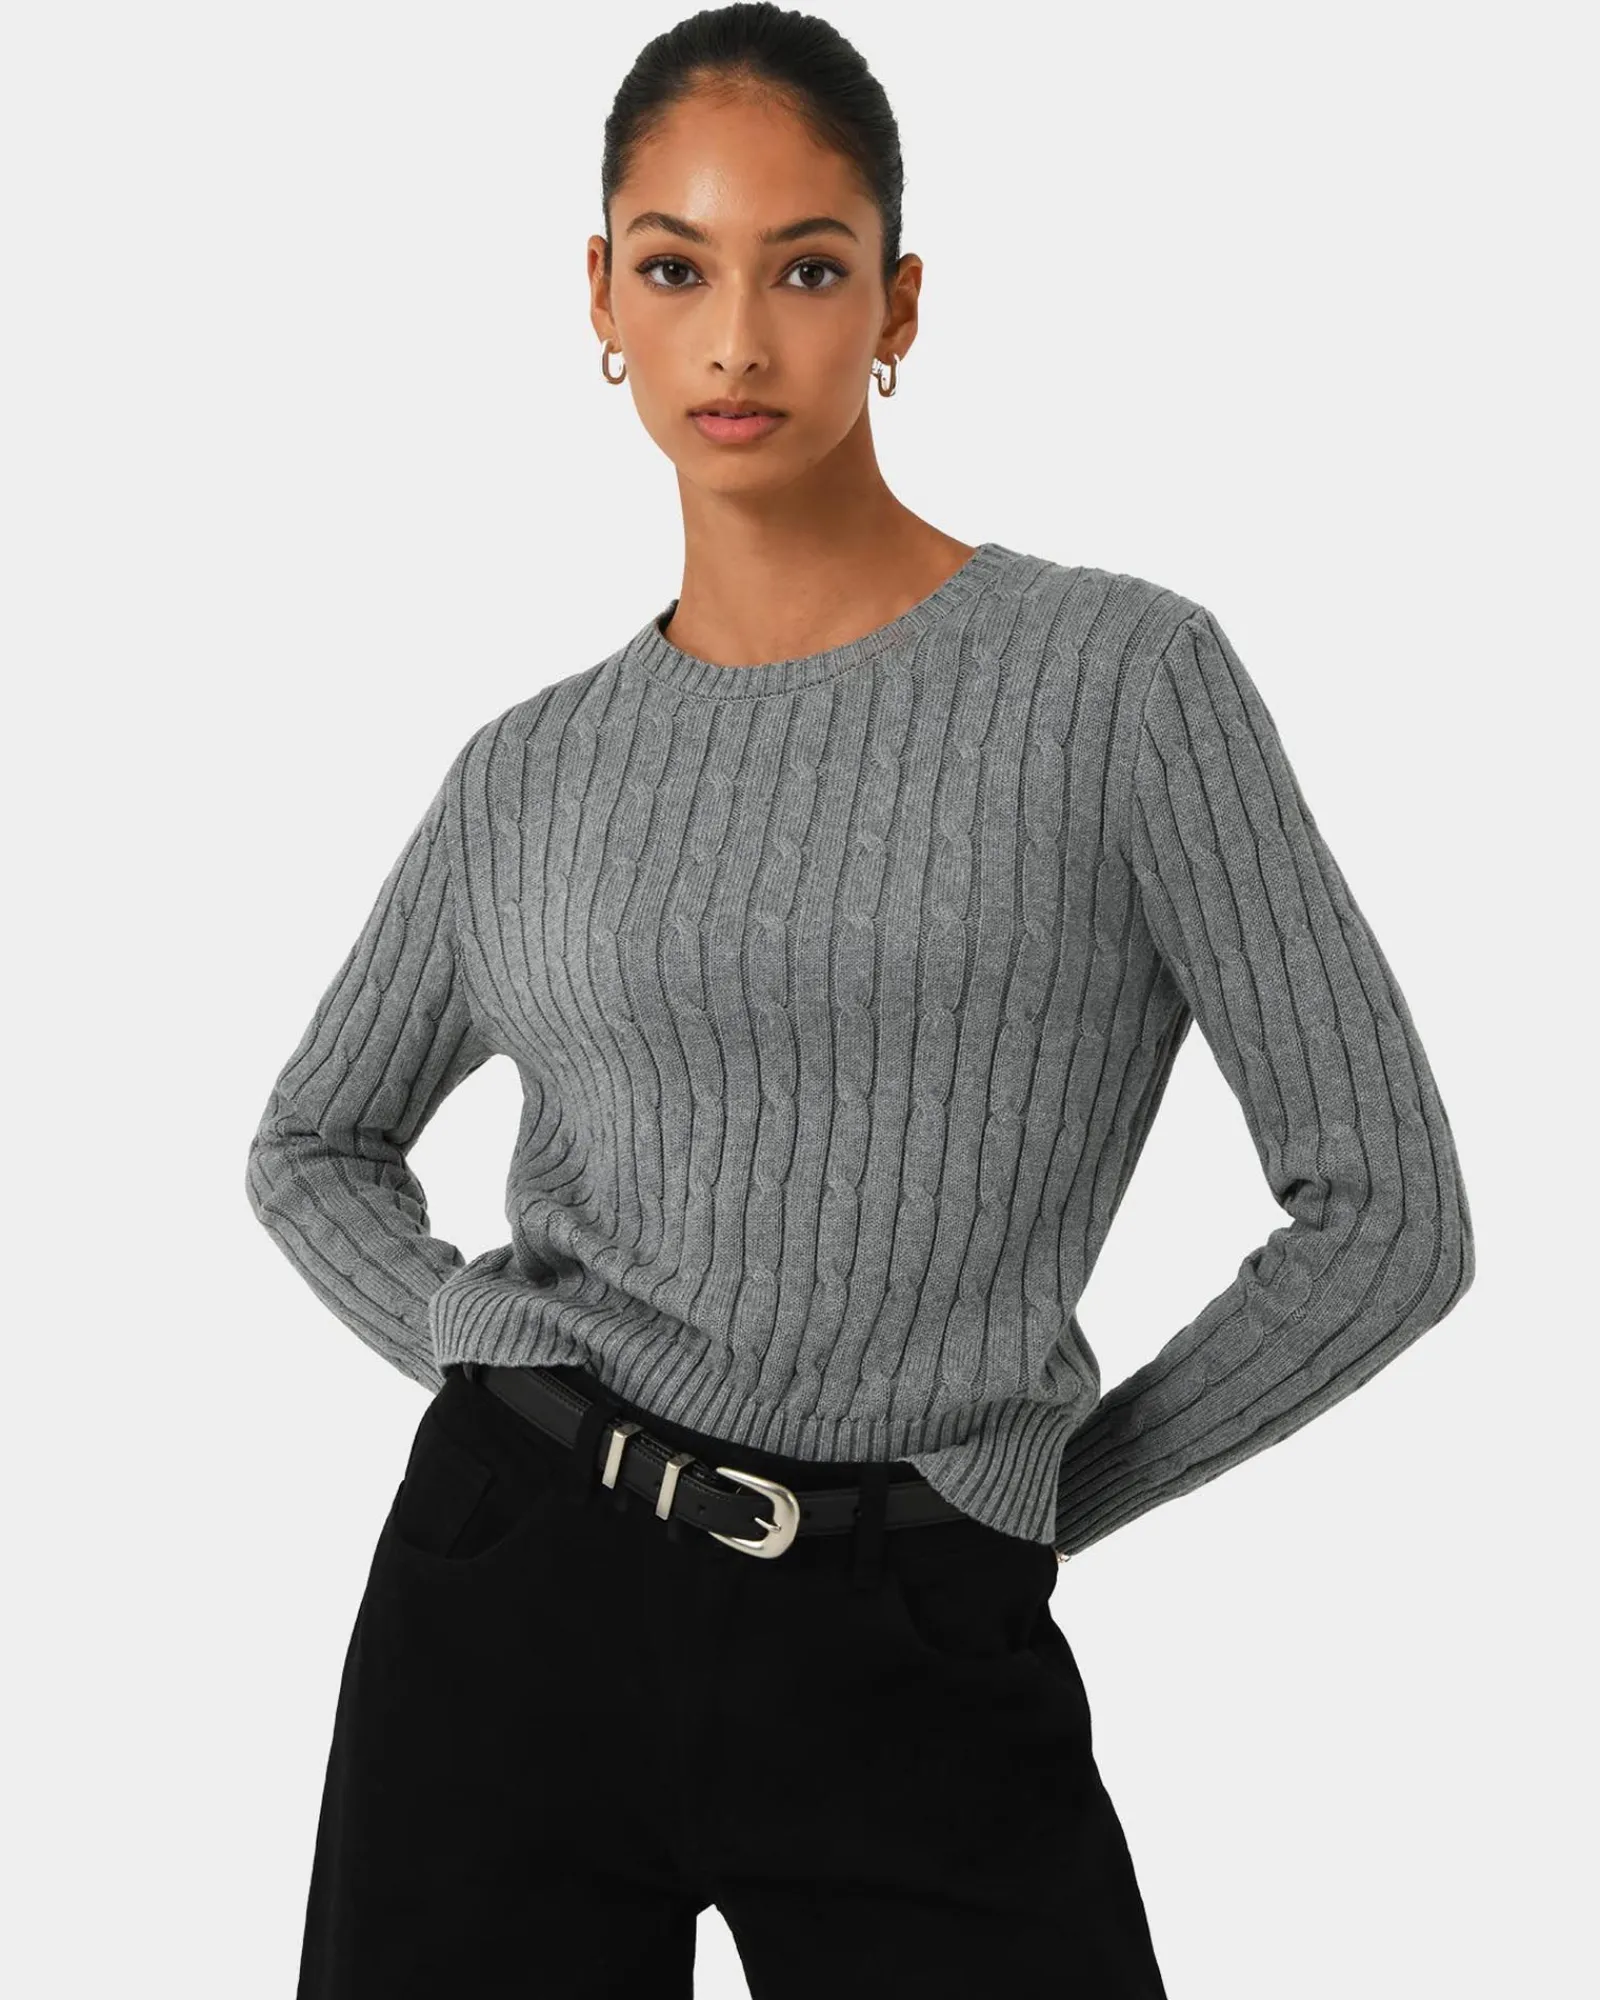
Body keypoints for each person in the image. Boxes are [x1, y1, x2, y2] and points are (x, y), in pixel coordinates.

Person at [244, 5, 1475, 1994]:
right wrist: (482, 1357)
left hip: (918, 1633)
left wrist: (1024, 1504)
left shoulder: (1118, 686)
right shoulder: (527, 770)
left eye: (805, 270)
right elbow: (313, 1143)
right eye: (676, 269)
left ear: (898, 303)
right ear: (601, 299)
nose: (737, 341)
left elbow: (1389, 1218)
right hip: (509, 1604)